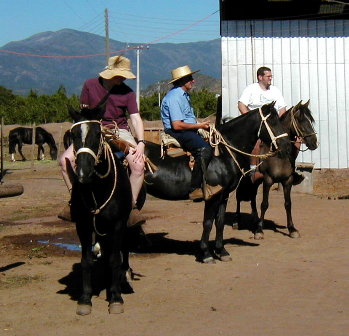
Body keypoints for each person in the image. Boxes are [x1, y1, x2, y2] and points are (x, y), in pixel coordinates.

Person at [59, 55, 146, 226]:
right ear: (109, 73)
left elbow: (135, 118)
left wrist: (141, 142)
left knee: (138, 165)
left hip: (119, 130)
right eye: (119, 75)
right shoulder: (90, 85)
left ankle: (131, 207)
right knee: (64, 160)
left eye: (124, 75)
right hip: (94, 128)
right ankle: (74, 201)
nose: (122, 78)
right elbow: (83, 114)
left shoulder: (128, 92)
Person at [161, 65, 222, 201]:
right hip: (178, 131)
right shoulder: (174, 97)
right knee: (204, 149)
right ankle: (194, 188)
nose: (193, 81)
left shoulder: (184, 95)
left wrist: (200, 125)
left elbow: (187, 118)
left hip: (187, 128)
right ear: (182, 81)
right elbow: (177, 125)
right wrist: (198, 125)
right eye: (190, 79)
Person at [238, 66, 303, 184]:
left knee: (296, 140)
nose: (270, 79)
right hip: (257, 125)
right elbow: (241, 105)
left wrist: (279, 125)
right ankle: (252, 172)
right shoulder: (251, 89)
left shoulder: (275, 90)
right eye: (268, 76)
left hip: (273, 125)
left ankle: (290, 170)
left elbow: (282, 109)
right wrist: (250, 120)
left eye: (271, 76)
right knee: (257, 142)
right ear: (260, 77)